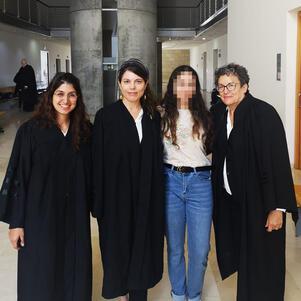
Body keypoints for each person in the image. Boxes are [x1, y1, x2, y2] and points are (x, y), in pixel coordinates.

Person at [0, 72, 92, 301]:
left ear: (78, 98)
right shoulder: (30, 131)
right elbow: (19, 176)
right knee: (42, 270)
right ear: (50, 96)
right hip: (40, 216)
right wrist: (17, 223)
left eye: (72, 95)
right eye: (60, 94)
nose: (66, 100)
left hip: (75, 216)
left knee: (73, 268)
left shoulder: (85, 132)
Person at [211, 63, 299, 301]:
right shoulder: (220, 114)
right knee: (245, 261)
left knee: (263, 264)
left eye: (232, 85)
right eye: (221, 86)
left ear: (245, 87)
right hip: (233, 202)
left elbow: (278, 163)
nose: (226, 90)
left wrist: (278, 208)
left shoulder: (263, 113)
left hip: (261, 203)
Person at [92, 58, 164, 301]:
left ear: (146, 84)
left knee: (143, 245)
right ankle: (120, 292)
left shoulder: (153, 117)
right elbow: (97, 161)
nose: (132, 87)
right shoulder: (106, 117)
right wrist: (99, 204)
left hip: (147, 196)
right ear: (119, 84)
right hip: (115, 199)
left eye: (138, 81)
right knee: (117, 248)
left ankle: (138, 293)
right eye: (127, 81)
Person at [161, 65, 213, 301]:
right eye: (180, 82)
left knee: (200, 251)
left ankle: (194, 296)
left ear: (196, 87)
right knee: (174, 249)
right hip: (170, 182)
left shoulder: (207, 115)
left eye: (190, 83)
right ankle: (178, 295)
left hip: (200, 183)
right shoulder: (160, 115)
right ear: (172, 85)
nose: (185, 87)